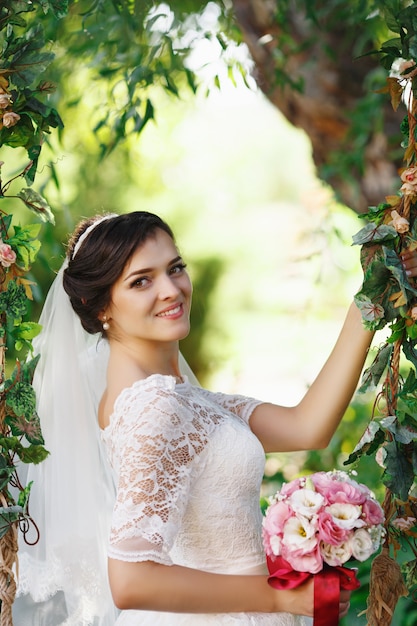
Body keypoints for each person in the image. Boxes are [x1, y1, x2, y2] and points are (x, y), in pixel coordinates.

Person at [13, 210, 417, 626]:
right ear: (97, 306)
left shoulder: (179, 399)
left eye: (175, 268)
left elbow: (306, 427)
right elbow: (131, 580)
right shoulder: (155, 407)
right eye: (141, 281)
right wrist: (279, 599)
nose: (171, 289)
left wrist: (369, 299)